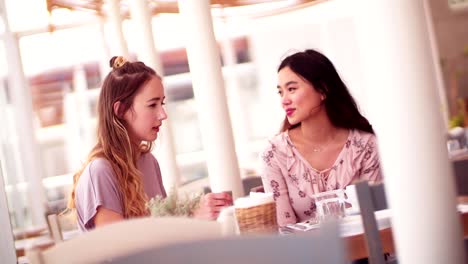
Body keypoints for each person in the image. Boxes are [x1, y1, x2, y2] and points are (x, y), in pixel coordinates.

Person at [68, 56, 232, 232]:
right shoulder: (100, 172)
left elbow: (164, 232)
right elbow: (119, 250)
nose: (163, 114)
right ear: (120, 110)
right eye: (152, 105)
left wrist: (195, 215)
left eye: (162, 103)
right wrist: (190, 217)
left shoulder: (148, 162)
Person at [260, 49, 382, 227]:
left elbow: (376, 219)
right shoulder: (274, 153)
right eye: (281, 92)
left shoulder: (366, 146)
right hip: (308, 254)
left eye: (292, 89)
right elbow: (285, 231)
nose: (284, 100)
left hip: (368, 252)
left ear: (323, 89)